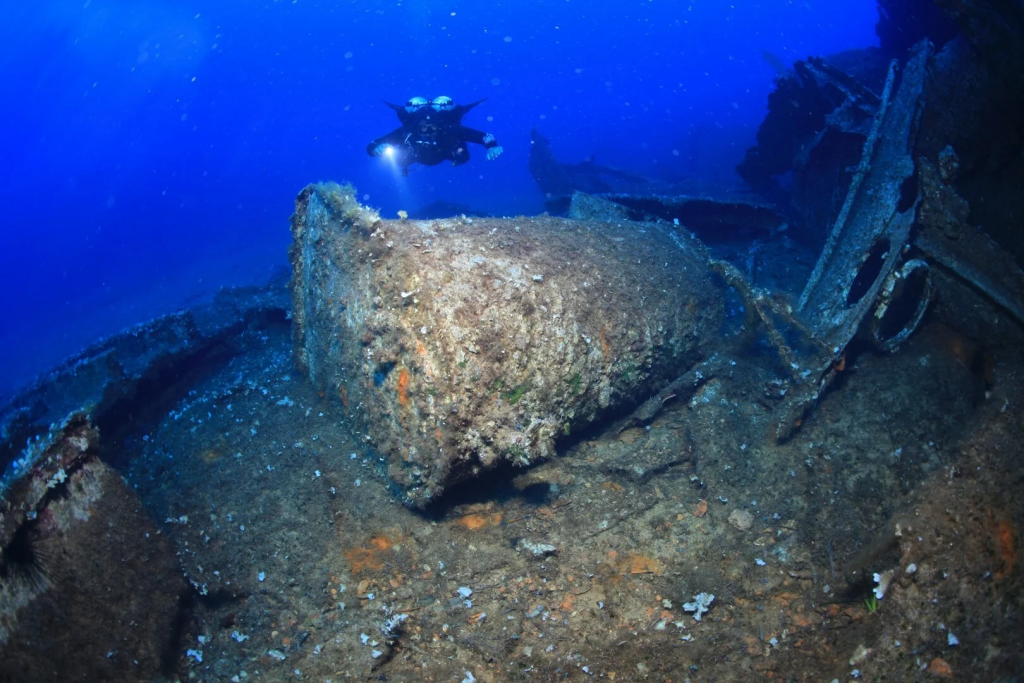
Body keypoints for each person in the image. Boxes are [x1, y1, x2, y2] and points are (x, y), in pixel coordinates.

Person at [368, 96, 503, 176]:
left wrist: (492, 146)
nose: (428, 131)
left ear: (439, 126)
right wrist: (377, 149)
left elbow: (484, 136)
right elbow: (373, 144)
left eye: (432, 127)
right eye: (424, 127)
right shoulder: (406, 132)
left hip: (447, 153)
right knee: (400, 160)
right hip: (414, 157)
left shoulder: (451, 129)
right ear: (417, 127)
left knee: (463, 156)